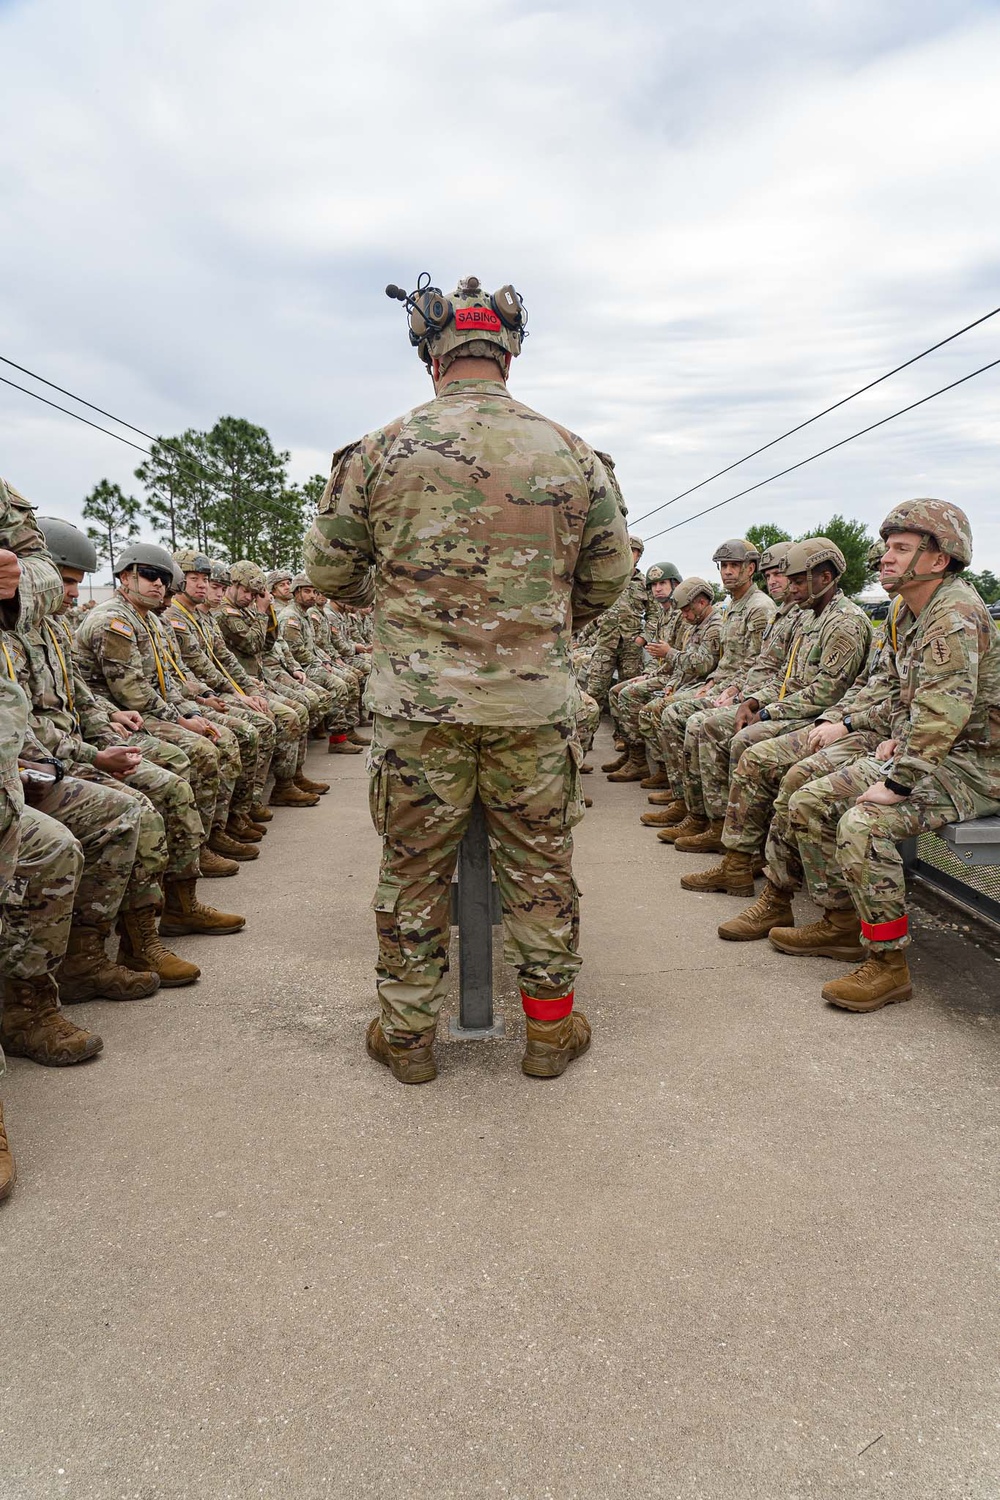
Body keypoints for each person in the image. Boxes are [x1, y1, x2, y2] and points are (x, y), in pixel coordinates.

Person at [304, 273, 632, 1082]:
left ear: (431, 354)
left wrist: (412, 621)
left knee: (413, 870)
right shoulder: (575, 453)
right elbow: (607, 578)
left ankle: (410, 1041)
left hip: (419, 711)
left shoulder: (378, 452)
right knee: (541, 871)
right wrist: (538, 631)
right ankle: (549, 1034)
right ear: (509, 352)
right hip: (531, 703)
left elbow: (330, 574)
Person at [772, 500, 1000, 1012]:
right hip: (932, 755)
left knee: (865, 823)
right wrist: (894, 736)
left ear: (939, 559)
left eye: (900, 549)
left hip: (976, 767)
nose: (885, 559)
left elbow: (944, 713)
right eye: (886, 548)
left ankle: (888, 963)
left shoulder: (954, 614)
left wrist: (898, 782)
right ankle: (840, 925)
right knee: (809, 799)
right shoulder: (905, 610)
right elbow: (900, 692)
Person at [675, 537, 871, 889]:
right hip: (800, 708)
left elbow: (827, 692)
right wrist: (753, 700)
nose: (788, 588)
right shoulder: (811, 616)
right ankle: (736, 850)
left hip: (820, 715)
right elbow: (784, 676)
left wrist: (767, 712)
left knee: (749, 744)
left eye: (796, 581)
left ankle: (742, 856)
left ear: (825, 578)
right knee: (733, 733)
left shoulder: (844, 622)